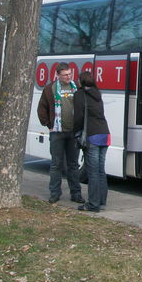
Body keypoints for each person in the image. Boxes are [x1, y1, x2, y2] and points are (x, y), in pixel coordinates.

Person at [37, 62, 84, 204]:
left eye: (70, 74)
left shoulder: (77, 87)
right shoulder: (49, 89)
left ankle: (76, 194)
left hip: (73, 133)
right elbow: (42, 108)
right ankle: (55, 193)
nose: (68, 77)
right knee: (56, 164)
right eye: (65, 75)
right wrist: (48, 125)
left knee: (73, 165)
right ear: (58, 75)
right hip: (57, 132)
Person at [73, 71, 110, 213]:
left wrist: (75, 133)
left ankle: (93, 204)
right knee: (101, 169)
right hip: (105, 134)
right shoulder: (97, 94)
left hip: (92, 135)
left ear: (81, 82)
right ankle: (101, 200)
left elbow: (78, 117)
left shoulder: (80, 95)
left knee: (92, 171)